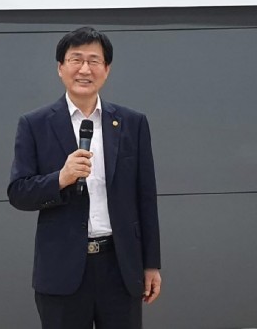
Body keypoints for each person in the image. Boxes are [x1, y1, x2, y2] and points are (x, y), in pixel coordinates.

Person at [8, 26, 161, 329]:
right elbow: (19, 192)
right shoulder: (35, 124)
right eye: (76, 60)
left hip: (120, 267)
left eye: (94, 60)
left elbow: (146, 198)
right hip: (62, 270)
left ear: (107, 69)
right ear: (60, 68)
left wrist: (151, 263)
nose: (85, 69)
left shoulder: (132, 123)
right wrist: (60, 178)